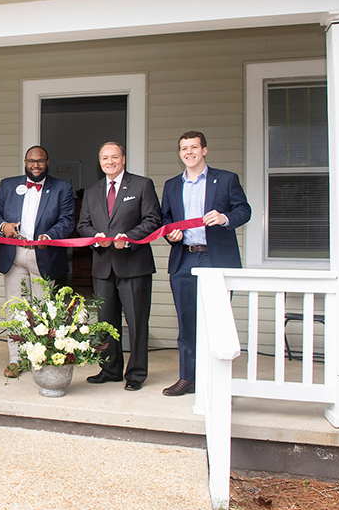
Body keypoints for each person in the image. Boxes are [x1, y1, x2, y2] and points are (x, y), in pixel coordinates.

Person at [160, 131, 251, 396]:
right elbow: (166, 219)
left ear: (204, 150)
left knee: (215, 322)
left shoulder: (225, 179)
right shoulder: (172, 185)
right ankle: (188, 378)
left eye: (194, 147)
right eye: (184, 148)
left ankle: (215, 380)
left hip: (216, 257)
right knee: (187, 321)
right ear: (180, 154)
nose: (189, 152)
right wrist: (170, 233)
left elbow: (244, 210)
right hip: (185, 256)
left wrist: (224, 218)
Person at [77, 142, 161, 391]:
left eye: (114, 157)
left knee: (136, 322)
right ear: (99, 162)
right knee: (106, 322)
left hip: (134, 265)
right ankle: (110, 369)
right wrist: (96, 237)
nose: (110, 161)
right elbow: (83, 225)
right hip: (103, 266)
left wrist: (129, 238)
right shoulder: (92, 191)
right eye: (105, 158)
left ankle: (136, 373)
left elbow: (153, 220)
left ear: (123, 159)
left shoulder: (141, 185)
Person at [0, 145, 75, 378]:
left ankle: (40, 357)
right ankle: (16, 359)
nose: (35, 165)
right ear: (25, 162)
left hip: (44, 256)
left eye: (40, 161)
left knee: (43, 310)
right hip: (14, 255)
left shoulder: (62, 188)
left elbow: (68, 221)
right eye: (31, 161)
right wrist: (3, 226)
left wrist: (50, 236)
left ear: (47, 162)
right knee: (17, 309)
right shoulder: (8, 185)